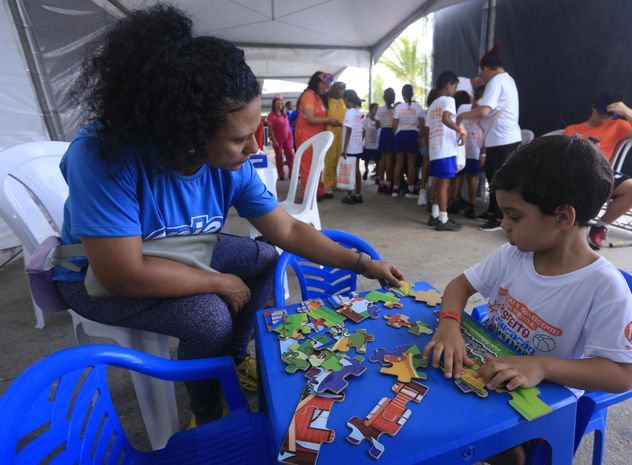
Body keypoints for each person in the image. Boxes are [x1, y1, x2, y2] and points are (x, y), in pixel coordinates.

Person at [58, 5, 403, 427]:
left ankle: (233, 358)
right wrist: (217, 281)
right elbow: (120, 273)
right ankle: (208, 413)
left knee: (264, 259)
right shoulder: (104, 153)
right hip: (94, 276)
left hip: (179, 253)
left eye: (255, 131)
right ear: (186, 131)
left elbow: (289, 228)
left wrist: (363, 264)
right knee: (208, 315)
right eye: (240, 138)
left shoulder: (230, 166)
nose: (255, 148)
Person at [423, 136, 632, 465]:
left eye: (514, 216)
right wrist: (449, 326)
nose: (503, 225)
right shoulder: (513, 254)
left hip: (539, 403)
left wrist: (540, 365)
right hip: (489, 373)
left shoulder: (604, 286)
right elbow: (458, 287)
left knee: (490, 445)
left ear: (563, 218)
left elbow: (621, 374)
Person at [563, 91, 632, 249]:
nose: (605, 117)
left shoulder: (618, 125)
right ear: (594, 107)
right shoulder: (573, 129)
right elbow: (562, 158)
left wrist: (627, 112)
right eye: (602, 112)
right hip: (576, 172)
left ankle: (600, 226)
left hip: (602, 172)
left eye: (610, 114)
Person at [457, 43, 522, 231]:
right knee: (494, 178)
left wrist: (461, 116)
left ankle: (498, 217)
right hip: (502, 138)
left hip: (502, 140)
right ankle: (493, 211)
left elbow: (484, 111)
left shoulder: (496, 81)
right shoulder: (507, 79)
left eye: (482, 72)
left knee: (498, 180)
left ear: (486, 68)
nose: (481, 77)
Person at [426, 71, 466, 231]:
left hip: (435, 148)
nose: (455, 90)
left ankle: (435, 215)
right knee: (444, 183)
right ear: (448, 85)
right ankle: (443, 218)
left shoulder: (433, 105)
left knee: (438, 182)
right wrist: (460, 130)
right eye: (454, 86)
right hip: (446, 148)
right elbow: (446, 118)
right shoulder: (449, 100)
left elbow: (427, 129)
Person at [295, 71, 342, 201]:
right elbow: (310, 118)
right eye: (324, 84)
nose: (326, 86)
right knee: (308, 166)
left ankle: (318, 192)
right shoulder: (309, 96)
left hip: (317, 137)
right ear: (317, 82)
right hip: (306, 136)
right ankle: (307, 195)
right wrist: (329, 121)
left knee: (317, 164)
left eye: (328, 84)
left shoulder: (318, 97)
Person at [392, 84, 425, 198]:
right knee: (411, 164)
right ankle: (410, 190)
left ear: (402, 94)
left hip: (400, 135)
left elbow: (394, 125)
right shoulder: (418, 107)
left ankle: (395, 189)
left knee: (399, 163)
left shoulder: (398, 107)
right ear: (412, 94)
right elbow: (422, 125)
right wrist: (419, 136)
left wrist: (396, 134)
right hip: (412, 135)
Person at [456, 89, 484, 218]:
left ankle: (471, 205)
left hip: (474, 149)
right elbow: (457, 123)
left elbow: (486, 133)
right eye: (476, 101)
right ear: (473, 98)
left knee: (471, 177)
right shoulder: (463, 108)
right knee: (458, 175)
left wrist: (483, 153)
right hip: (461, 147)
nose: (477, 104)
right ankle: (456, 201)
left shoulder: (485, 113)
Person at [340, 90, 365, 205]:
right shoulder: (358, 112)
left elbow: (348, 130)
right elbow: (362, 130)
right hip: (358, 145)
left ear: (347, 100)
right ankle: (358, 194)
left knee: (349, 171)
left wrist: (344, 148)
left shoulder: (349, 112)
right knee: (357, 171)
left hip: (350, 146)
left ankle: (349, 195)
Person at [324, 81, 347, 195]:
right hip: (331, 133)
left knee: (338, 159)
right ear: (334, 89)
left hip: (341, 133)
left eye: (343, 89)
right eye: (340, 89)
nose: (342, 91)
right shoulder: (327, 101)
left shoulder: (343, 102)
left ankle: (335, 182)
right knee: (330, 160)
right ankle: (328, 184)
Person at [267, 96, 294, 180]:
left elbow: (288, 126)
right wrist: (274, 140)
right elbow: (270, 129)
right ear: (274, 104)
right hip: (278, 139)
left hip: (288, 138)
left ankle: (292, 173)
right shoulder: (271, 115)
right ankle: (281, 174)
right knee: (279, 156)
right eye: (278, 103)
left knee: (290, 155)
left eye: (281, 103)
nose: (280, 104)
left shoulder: (284, 115)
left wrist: (291, 138)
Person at [376, 88, 397, 194]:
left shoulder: (380, 110)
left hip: (383, 133)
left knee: (381, 160)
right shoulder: (395, 110)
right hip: (392, 134)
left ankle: (381, 183)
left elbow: (377, 124)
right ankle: (388, 183)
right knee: (389, 160)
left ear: (384, 98)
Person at [362, 102, 381, 182]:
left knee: (378, 161)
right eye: (375, 109)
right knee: (366, 160)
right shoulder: (365, 121)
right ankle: (366, 170)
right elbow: (363, 132)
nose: (377, 110)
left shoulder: (380, 121)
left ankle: (377, 175)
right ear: (370, 110)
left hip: (377, 145)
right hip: (368, 145)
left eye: (377, 109)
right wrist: (361, 142)